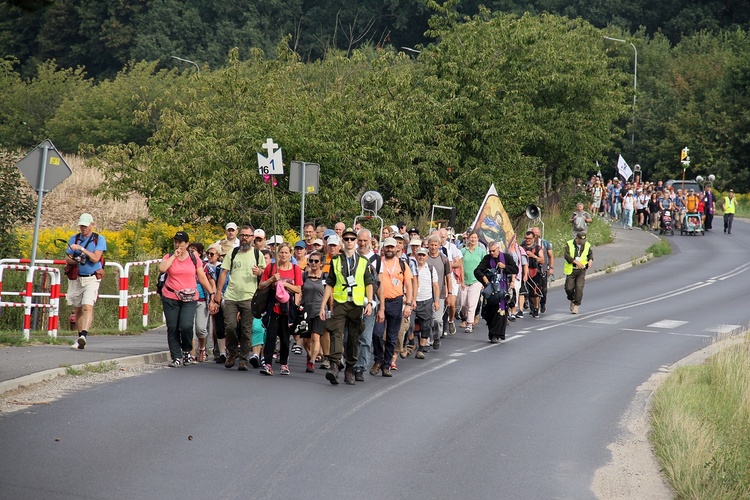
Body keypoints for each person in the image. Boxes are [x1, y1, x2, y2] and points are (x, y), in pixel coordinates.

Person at [319, 227, 374, 385]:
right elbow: (330, 284)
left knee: (353, 337)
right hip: (340, 302)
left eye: (352, 239)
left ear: (356, 242)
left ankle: (350, 368)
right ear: (342, 241)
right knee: (336, 333)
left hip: (356, 304)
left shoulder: (363, 261)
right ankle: (335, 365)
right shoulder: (336, 260)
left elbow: (369, 284)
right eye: (346, 239)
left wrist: (369, 302)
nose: (349, 241)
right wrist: (323, 306)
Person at [213, 226, 266, 371]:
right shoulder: (233, 252)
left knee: (246, 329)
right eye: (242, 235)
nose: (245, 238)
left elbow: (265, 274)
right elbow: (224, 272)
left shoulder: (257, 254)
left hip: (249, 297)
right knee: (230, 326)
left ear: (252, 238)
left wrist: (259, 271)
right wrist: (218, 292)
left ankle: (243, 359)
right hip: (231, 296)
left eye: (248, 236)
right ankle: (232, 352)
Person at [160, 231, 216, 367]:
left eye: (180, 242)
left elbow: (202, 277)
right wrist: (174, 256)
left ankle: (186, 350)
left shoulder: (193, 257)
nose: (178, 244)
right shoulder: (169, 256)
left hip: (189, 297)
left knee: (186, 326)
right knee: (173, 327)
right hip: (171, 296)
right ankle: (176, 357)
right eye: (176, 241)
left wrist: (212, 293)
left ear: (187, 244)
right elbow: (162, 269)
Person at [370, 237, 413, 378]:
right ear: (383, 248)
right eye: (387, 247)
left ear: (396, 248)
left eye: (391, 247)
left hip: (396, 302)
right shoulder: (378, 263)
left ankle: (387, 365)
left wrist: (408, 304)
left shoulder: (402, 264)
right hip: (380, 301)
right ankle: (378, 360)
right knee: (377, 333)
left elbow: (408, 285)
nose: (389, 249)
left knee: (391, 337)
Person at [258, 242, 302, 376]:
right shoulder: (271, 268)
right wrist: (272, 280)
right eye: (281, 252)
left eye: (286, 252)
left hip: (287, 308)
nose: (283, 255)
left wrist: (283, 283)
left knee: (285, 337)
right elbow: (261, 286)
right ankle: (268, 364)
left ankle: (284, 364)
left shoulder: (295, 269)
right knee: (270, 336)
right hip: (273, 307)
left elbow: (298, 289)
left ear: (290, 254)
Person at [65, 213, 107, 349]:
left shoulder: (99, 239)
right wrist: (75, 259)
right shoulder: (74, 238)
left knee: (87, 306)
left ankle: (84, 334)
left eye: (85, 226)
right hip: (77, 278)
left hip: (92, 277)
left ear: (91, 225)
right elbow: (68, 258)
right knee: (77, 308)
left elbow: (95, 258)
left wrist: (82, 249)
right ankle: (79, 338)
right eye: (81, 226)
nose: (83, 228)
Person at [474, 241, 518, 343]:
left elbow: (515, 269)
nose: (492, 253)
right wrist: (485, 280)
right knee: (490, 311)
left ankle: (497, 334)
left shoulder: (506, 257)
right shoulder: (487, 259)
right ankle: (491, 333)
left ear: (498, 249)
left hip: (502, 289)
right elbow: (477, 271)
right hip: (491, 289)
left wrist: (505, 267)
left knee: (500, 312)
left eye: (494, 251)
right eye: (490, 251)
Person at [300, 251, 326, 373]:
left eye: (316, 261)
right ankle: (309, 354)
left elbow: (329, 294)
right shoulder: (304, 276)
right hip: (306, 310)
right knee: (306, 340)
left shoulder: (325, 277)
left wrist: (330, 309)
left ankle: (312, 361)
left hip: (319, 310)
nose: (313, 263)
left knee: (315, 337)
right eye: (311, 261)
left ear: (321, 263)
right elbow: (299, 291)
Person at [459, 231, 485, 332]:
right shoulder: (463, 251)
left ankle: (469, 324)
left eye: (475, 238)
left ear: (478, 239)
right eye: (471, 238)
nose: (473, 240)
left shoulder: (481, 251)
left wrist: (483, 281)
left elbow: (485, 267)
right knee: (463, 303)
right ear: (468, 239)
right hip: (464, 280)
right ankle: (465, 317)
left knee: (471, 303)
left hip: (476, 281)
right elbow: (459, 264)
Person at [564, 231, 593, 315]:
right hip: (571, 269)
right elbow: (566, 256)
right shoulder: (569, 244)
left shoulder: (587, 245)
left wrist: (590, 261)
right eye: (580, 240)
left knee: (579, 287)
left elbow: (590, 255)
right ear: (577, 238)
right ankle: (572, 299)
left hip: (582, 269)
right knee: (569, 288)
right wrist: (576, 262)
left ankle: (576, 304)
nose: (582, 243)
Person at [520, 230, 544, 317]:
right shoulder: (521, 247)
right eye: (526, 238)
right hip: (523, 271)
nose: (528, 240)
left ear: (533, 238)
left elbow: (542, 260)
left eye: (530, 238)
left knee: (535, 292)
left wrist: (533, 256)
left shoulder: (538, 248)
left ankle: (536, 307)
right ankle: (521, 309)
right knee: (523, 291)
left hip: (535, 271)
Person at [531, 226, 554, 314]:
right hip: (532, 269)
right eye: (534, 234)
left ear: (540, 233)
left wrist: (551, 268)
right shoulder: (527, 243)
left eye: (537, 233)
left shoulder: (545, 243)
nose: (536, 236)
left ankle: (543, 303)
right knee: (532, 289)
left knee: (543, 289)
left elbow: (551, 256)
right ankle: (533, 307)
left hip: (543, 269)